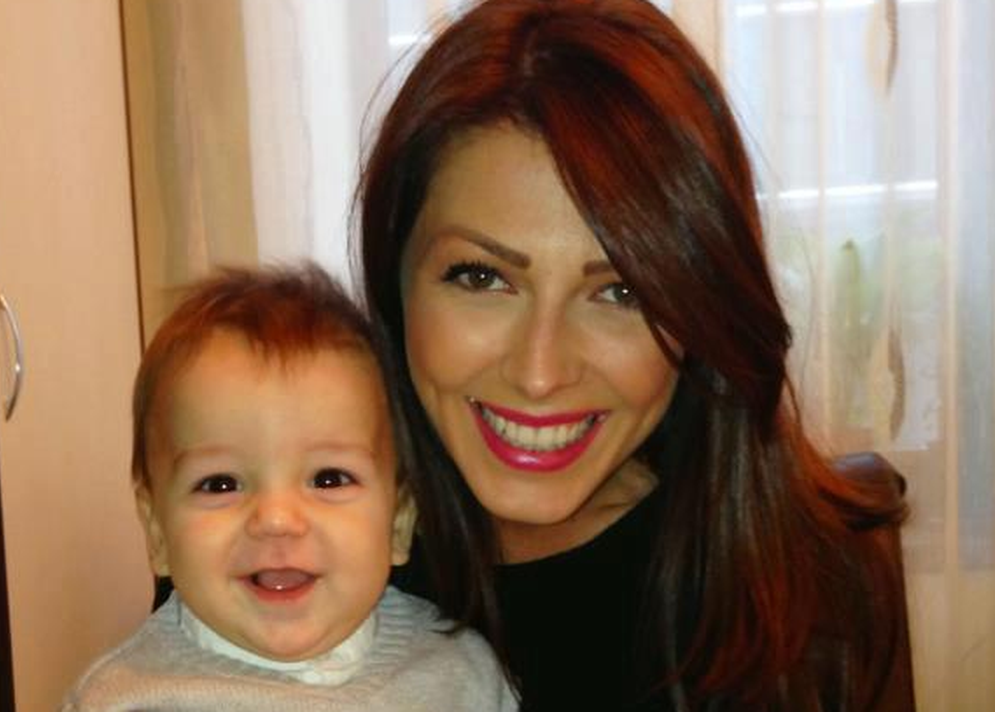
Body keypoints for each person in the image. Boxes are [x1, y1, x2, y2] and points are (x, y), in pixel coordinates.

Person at [357, 1, 911, 710]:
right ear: (395, 282)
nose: (540, 372)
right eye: (481, 277)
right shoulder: (277, 564)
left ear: (699, 310)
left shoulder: (813, 600)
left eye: (622, 292)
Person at [61, 266, 516, 711]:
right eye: (220, 484)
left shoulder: (461, 676)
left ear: (398, 522)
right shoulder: (122, 700)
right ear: (157, 531)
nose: (277, 519)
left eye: (329, 478)